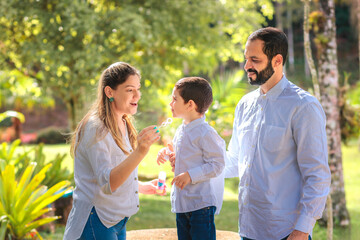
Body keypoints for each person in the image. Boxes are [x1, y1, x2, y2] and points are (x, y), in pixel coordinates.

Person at [225, 27, 331, 240]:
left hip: (286, 233)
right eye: (246, 59)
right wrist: (193, 167)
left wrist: (302, 231)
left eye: (255, 60)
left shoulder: (303, 106)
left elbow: (317, 175)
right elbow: (235, 160)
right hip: (248, 229)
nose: (247, 66)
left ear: (277, 60)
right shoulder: (244, 105)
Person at [63, 62, 164, 240]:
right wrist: (140, 151)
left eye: (138, 89)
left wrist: (139, 186)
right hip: (95, 220)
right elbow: (108, 183)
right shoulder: (96, 128)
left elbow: (115, 170)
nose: (137, 95)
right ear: (110, 92)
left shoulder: (124, 122)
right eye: (130, 90)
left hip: (115, 220)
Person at [157, 77, 226, 240]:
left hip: (200, 206)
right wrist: (168, 154)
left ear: (190, 104)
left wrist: (190, 175)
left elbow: (217, 164)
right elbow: (183, 158)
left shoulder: (205, 132)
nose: (170, 103)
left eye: (175, 99)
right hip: (183, 204)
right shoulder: (182, 130)